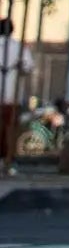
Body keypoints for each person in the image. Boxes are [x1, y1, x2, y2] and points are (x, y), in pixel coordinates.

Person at [0, 18, 30, 175]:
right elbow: (27, 67)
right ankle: (8, 160)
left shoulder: (19, 47)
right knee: (10, 130)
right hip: (12, 97)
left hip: (9, 95)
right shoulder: (19, 48)